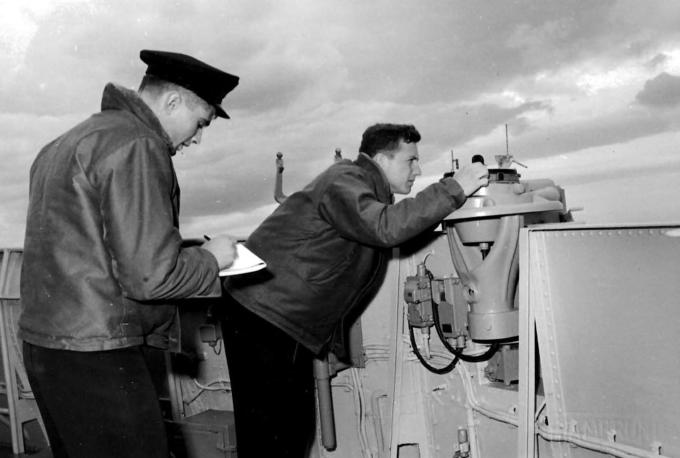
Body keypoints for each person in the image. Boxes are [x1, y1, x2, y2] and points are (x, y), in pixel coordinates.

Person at [19, 49, 240, 458]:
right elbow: (149, 277)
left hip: (48, 347)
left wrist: (183, 251)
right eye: (201, 123)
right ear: (172, 101)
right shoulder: (138, 143)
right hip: (99, 351)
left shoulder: (62, 143)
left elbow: (93, 244)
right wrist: (212, 259)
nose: (197, 138)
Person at [222, 123, 489, 457]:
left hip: (279, 319)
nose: (418, 170)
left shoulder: (363, 190)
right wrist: (454, 188)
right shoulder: (345, 180)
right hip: (264, 316)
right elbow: (387, 227)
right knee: (274, 437)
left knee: (292, 432)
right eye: (411, 160)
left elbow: (386, 232)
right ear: (381, 159)